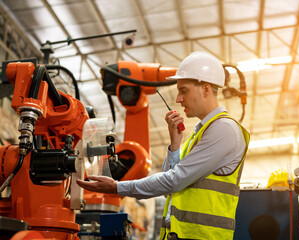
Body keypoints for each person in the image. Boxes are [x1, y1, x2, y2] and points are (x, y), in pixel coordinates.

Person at [76, 51, 250, 240]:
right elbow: (174, 183)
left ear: (206, 89)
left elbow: (174, 180)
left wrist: (118, 187)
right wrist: (175, 145)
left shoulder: (224, 129)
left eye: (184, 90)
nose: (178, 99)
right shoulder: (200, 133)